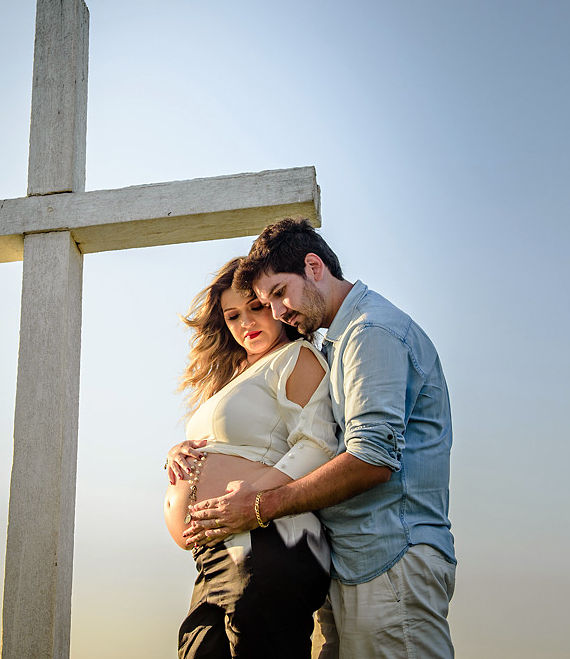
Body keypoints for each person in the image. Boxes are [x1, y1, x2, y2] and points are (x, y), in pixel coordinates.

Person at [185, 219, 456, 659]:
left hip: (390, 559)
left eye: (279, 294)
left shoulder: (372, 331)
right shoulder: (340, 341)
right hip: (349, 564)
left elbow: (371, 459)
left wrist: (259, 506)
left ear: (314, 267)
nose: (276, 312)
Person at [163, 256, 338, 659]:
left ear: (276, 305)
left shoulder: (295, 357)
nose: (246, 323)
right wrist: (179, 453)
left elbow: (319, 445)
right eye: (232, 316)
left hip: (268, 542)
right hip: (215, 554)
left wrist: (250, 499)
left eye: (256, 307)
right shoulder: (235, 377)